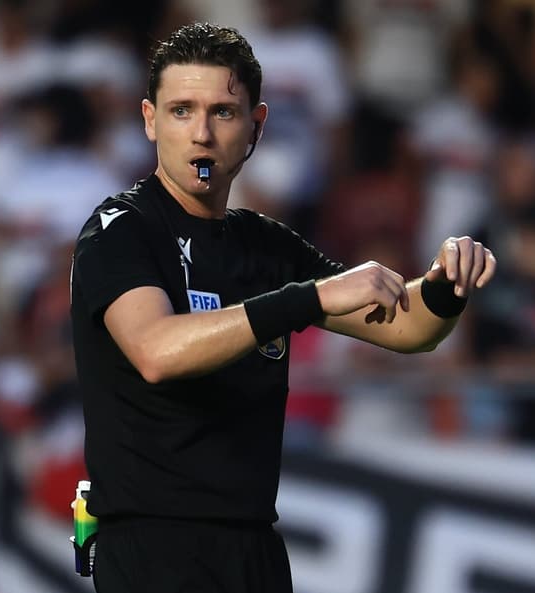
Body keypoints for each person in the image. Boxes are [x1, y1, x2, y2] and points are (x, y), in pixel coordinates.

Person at [69, 22, 496, 593]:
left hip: (253, 552)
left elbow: (410, 329)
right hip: (154, 549)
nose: (200, 133)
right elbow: (157, 350)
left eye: (222, 112)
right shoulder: (118, 231)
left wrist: (446, 282)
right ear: (149, 120)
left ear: (256, 126)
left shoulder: (266, 245)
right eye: (180, 111)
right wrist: (305, 299)